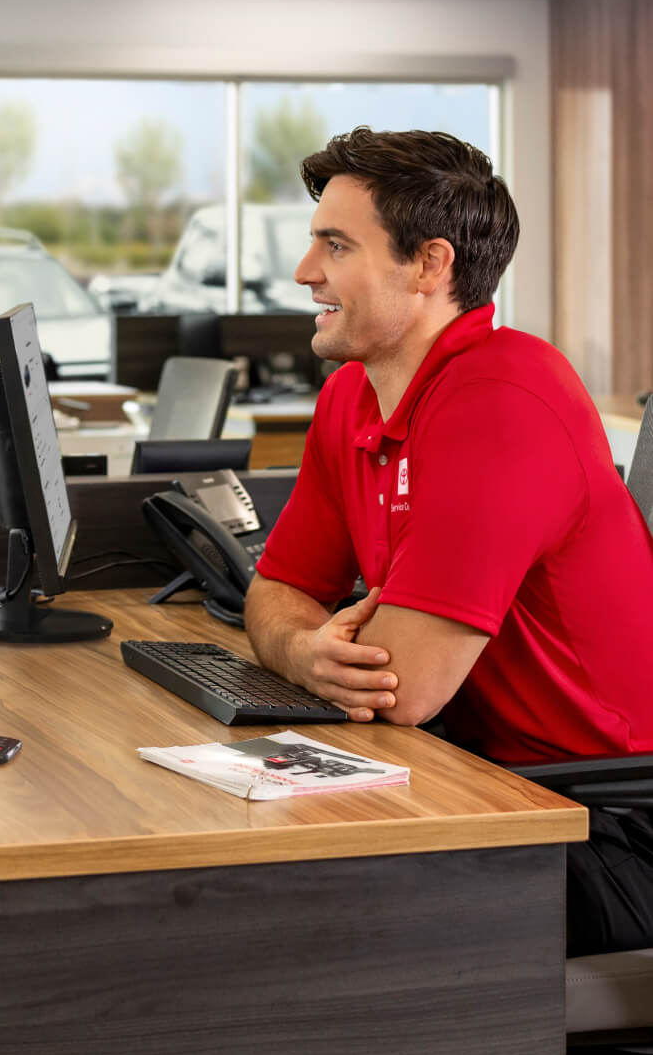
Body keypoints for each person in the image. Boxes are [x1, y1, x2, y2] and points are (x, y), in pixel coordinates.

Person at [244, 126, 653, 957]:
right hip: (483, 781)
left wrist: (313, 646)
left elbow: (406, 687)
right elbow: (276, 591)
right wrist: (303, 650)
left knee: (278, 922)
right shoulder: (351, 398)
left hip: (603, 823)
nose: (304, 273)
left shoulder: (504, 397)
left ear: (430, 266)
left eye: (335, 245)